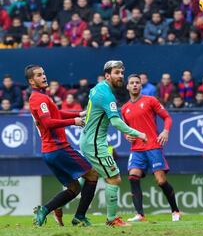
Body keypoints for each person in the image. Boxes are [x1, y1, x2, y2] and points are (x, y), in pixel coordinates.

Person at [26, 65, 98, 227]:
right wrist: (74, 122)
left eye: (43, 73)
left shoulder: (41, 97)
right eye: (38, 75)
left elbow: (56, 114)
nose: (43, 77)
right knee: (92, 175)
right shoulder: (38, 98)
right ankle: (79, 216)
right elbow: (48, 122)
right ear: (31, 81)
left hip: (49, 152)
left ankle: (44, 210)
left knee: (73, 188)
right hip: (58, 148)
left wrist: (77, 114)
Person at [79, 60, 147, 227]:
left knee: (89, 176)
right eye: (117, 73)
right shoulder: (106, 94)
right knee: (114, 178)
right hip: (95, 143)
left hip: (88, 140)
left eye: (122, 73)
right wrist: (138, 133)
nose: (121, 76)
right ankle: (111, 219)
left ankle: (58, 204)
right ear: (107, 75)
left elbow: (92, 111)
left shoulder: (97, 88)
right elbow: (116, 122)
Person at [121, 74, 181, 222]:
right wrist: (126, 135)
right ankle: (140, 214)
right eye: (132, 83)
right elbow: (126, 129)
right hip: (136, 149)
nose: (135, 85)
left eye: (137, 83)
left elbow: (167, 117)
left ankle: (175, 211)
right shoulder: (125, 108)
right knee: (133, 176)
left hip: (153, 146)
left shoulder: (151, 100)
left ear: (141, 86)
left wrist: (165, 131)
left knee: (161, 181)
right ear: (127, 86)